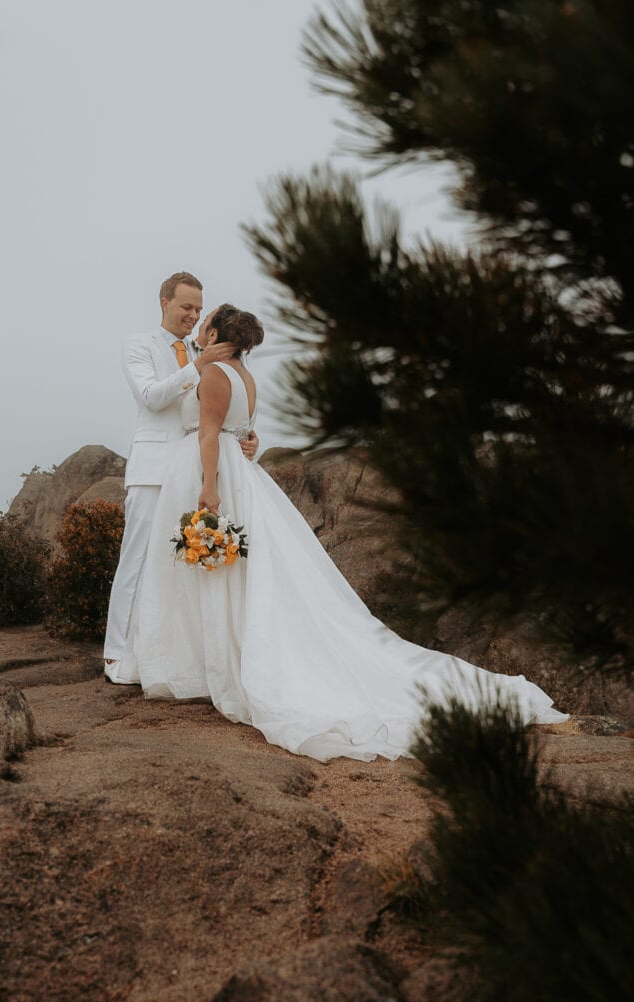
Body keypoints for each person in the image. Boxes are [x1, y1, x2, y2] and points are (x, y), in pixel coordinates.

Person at [116, 306, 569, 762]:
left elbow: (210, 434)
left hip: (214, 474)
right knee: (229, 571)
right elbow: (240, 430)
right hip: (239, 472)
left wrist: (208, 490)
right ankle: (207, 660)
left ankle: (217, 664)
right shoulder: (243, 375)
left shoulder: (214, 372)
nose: (197, 324)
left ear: (215, 332)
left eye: (204, 319)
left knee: (221, 571)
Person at [103, 274, 258, 683]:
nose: (192, 315)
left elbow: (219, 410)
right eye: (185, 306)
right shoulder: (141, 345)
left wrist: (244, 437)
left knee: (180, 569)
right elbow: (152, 398)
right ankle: (117, 653)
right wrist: (198, 365)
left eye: (197, 308)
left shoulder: (204, 351)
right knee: (136, 561)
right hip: (154, 472)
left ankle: (169, 652)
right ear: (164, 303)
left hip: (195, 470)